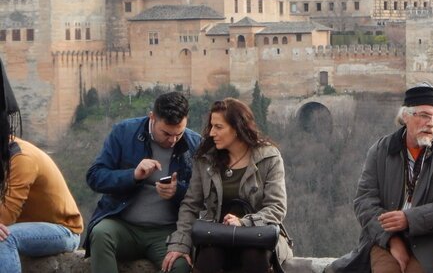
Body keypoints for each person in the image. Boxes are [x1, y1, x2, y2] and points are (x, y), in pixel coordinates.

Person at [327, 82, 433, 273]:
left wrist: (409, 219)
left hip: (432, 242)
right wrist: (392, 239)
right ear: (405, 116)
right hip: (384, 239)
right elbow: (364, 201)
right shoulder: (380, 151)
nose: (431, 123)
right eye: (425, 116)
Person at [161, 98, 293, 273]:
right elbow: (190, 205)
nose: (212, 133)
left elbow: (277, 207)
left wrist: (243, 223)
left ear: (237, 129)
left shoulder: (268, 157)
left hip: (258, 236)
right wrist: (180, 245)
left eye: (219, 127)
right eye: (212, 126)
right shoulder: (206, 159)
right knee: (208, 257)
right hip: (216, 236)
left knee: (254, 255)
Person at [85, 91, 201, 273]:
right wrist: (133, 176)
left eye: (178, 134)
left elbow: (202, 197)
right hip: (123, 224)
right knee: (101, 234)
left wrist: (177, 191)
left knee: (179, 265)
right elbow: (95, 177)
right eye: (166, 133)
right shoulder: (124, 132)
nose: (172, 140)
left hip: (167, 232)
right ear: (152, 117)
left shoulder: (194, 144)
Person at [0, 58, 83, 273]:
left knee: (3, 239)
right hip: (26, 225)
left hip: (62, 230)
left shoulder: (20, 157)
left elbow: (5, 218)